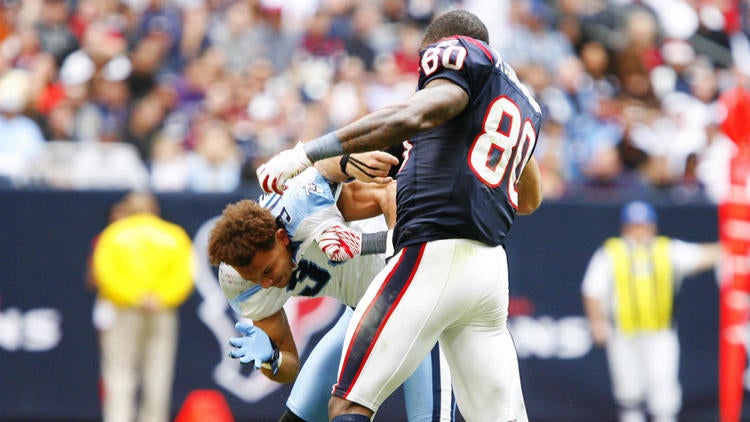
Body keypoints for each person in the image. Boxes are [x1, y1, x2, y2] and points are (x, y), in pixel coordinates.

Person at [255, 9, 544, 422]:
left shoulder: (455, 59)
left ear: (438, 50)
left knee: (350, 403)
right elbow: (529, 199)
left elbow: (411, 115)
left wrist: (305, 154)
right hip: (489, 272)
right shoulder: (517, 97)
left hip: (434, 254)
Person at [207, 159, 456, 422]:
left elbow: (388, 193)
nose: (267, 283)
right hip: (363, 311)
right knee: (302, 418)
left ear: (281, 237)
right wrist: (272, 359)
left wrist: (393, 260)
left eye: (268, 271)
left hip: (418, 303)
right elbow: (288, 365)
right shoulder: (241, 281)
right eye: (257, 279)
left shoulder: (302, 207)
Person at [581, 200, 722, 422]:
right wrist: (597, 321)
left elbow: (701, 256)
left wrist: (733, 244)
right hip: (624, 332)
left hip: (659, 332)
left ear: (653, 226)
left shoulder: (667, 249)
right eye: (634, 225)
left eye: (644, 224)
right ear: (625, 227)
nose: (640, 230)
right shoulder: (611, 252)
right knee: (628, 391)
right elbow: (592, 289)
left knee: (663, 388)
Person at [91, 191, 195, 422]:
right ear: (154, 209)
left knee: (119, 370)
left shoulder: (114, 234)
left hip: (124, 310)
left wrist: (135, 297)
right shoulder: (173, 235)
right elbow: (185, 275)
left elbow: (105, 274)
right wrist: (159, 298)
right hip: (162, 311)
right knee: (158, 373)